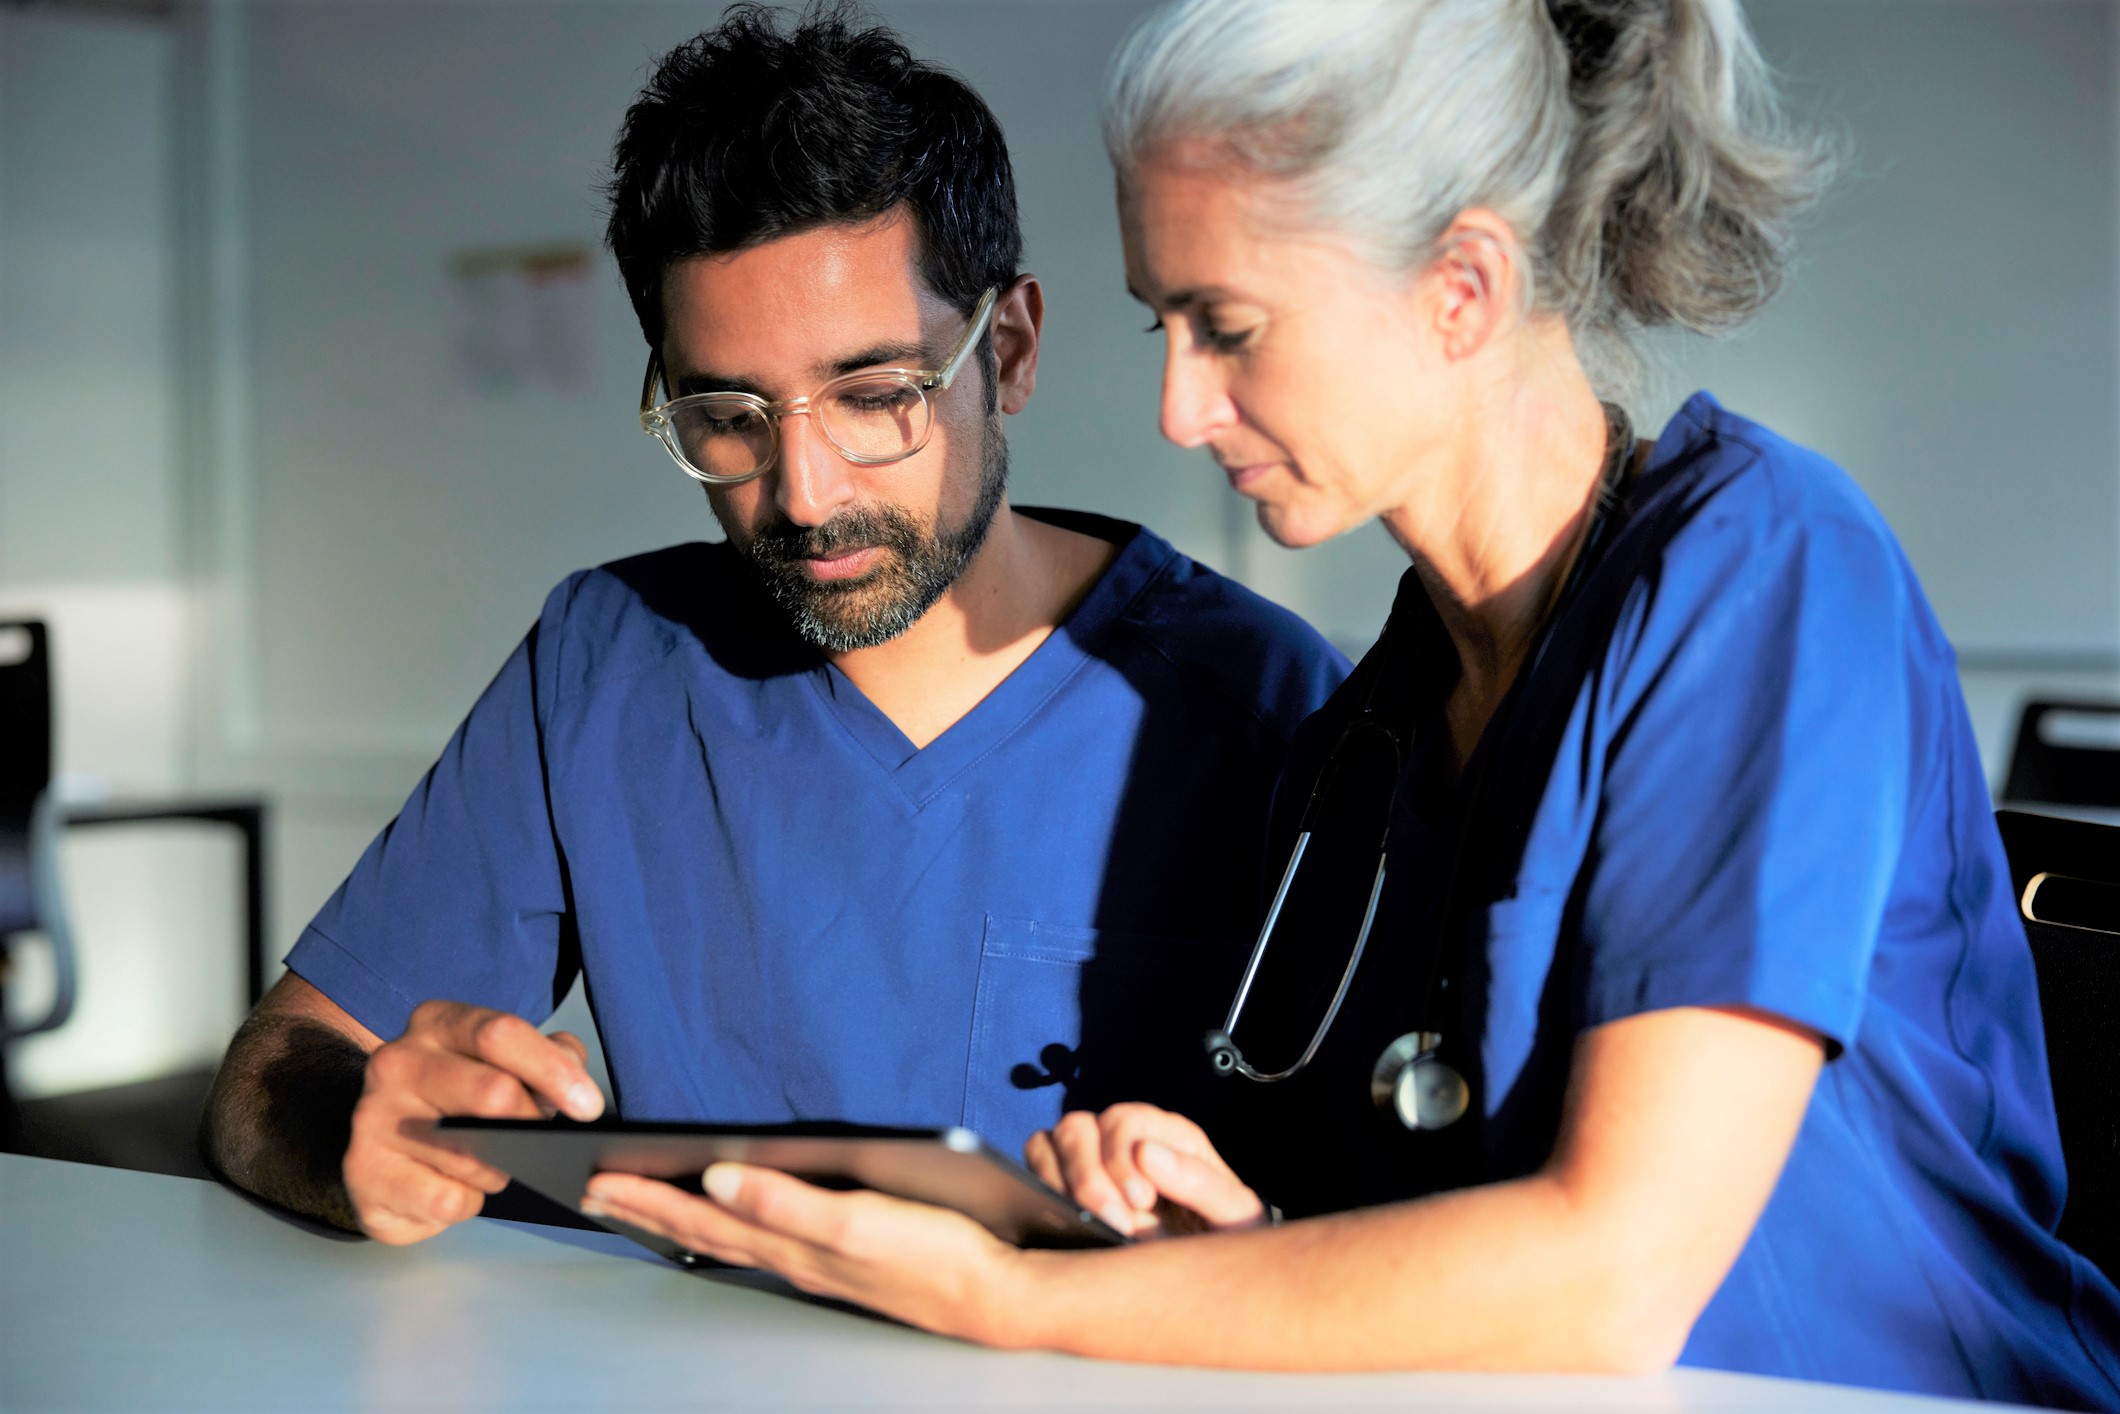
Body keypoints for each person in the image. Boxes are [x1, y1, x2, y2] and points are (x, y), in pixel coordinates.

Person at [572, 0, 2120, 1406]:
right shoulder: (1366, 732)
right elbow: (1433, 1223)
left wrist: (1011, 1294)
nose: (1179, 407)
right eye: (1159, 324)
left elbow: (1613, 1277)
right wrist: (1235, 1235)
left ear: (1462, 287)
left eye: (1227, 327)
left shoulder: (1766, 572)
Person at [200, 4, 1344, 1247]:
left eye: (872, 395)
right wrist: (360, 1130)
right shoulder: (609, 664)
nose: (803, 494)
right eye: (728, 415)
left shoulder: (1271, 709)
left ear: (1006, 348)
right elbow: (273, 1071)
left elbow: (1381, 1219)